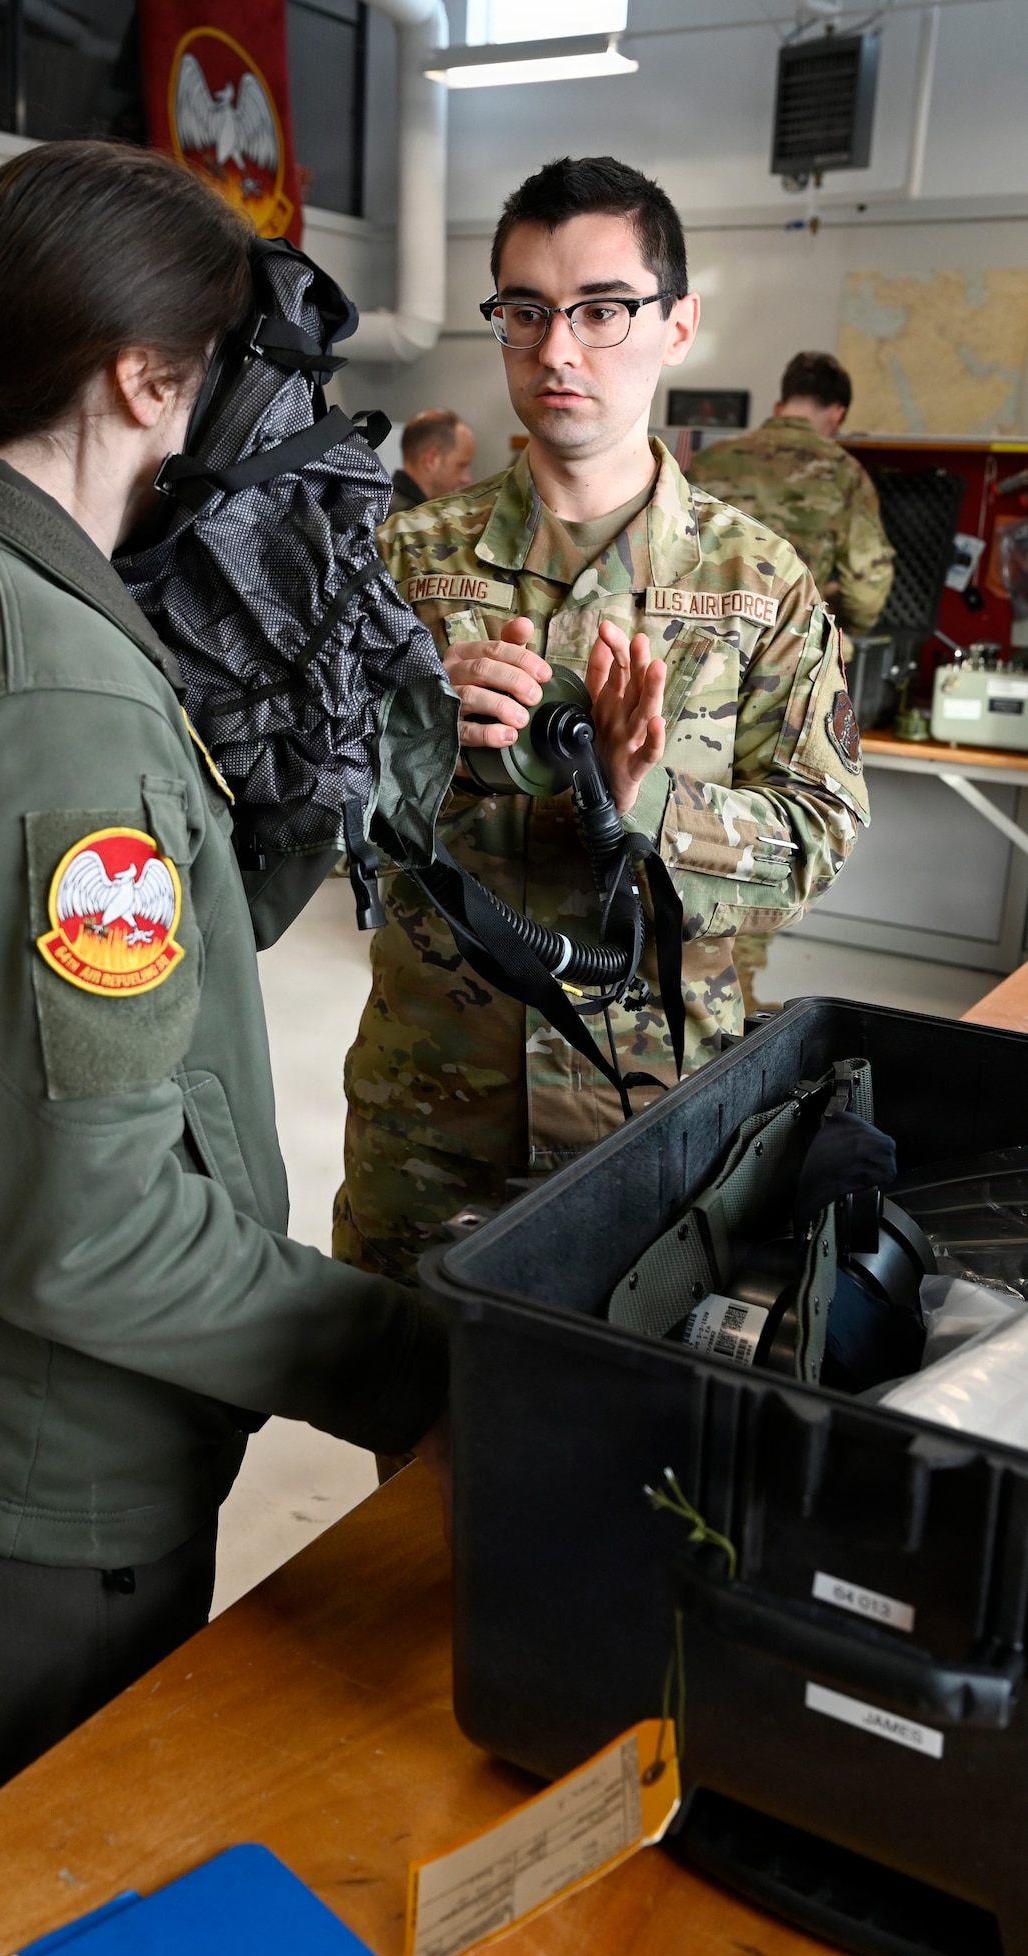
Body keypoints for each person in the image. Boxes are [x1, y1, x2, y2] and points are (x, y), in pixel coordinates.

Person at [0, 141, 447, 1845]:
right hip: (56, 1461)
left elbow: (139, 970)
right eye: (228, 386)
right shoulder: (52, 696)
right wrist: (422, 1359)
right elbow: (89, 1235)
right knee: (38, 1902)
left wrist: (351, 773)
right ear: (144, 379)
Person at [333, 156, 868, 1286]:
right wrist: (414, 725)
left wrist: (643, 802)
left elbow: (819, 830)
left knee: (625, 1447)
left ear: (675, 324)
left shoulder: (756, 581)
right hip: (435, 1117)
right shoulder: (400, 564)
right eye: (523, 311)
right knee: (417, 1431)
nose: (557, 350)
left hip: (663, 1128)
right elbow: (301, 805)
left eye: (600, 309)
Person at [688, 350, 893, 1009]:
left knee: (681, 816)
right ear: (834, 413)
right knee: (762, 834)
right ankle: (725, 1011)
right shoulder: (842, 473)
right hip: (785, 682)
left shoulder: (712, 462)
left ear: (782, 399)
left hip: (691, 672)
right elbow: (866, 589)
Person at [389, 407, 476, 514]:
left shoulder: (382, 510)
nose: (467, 479)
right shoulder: (410, 522)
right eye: (461, 466)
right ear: (431, 459)